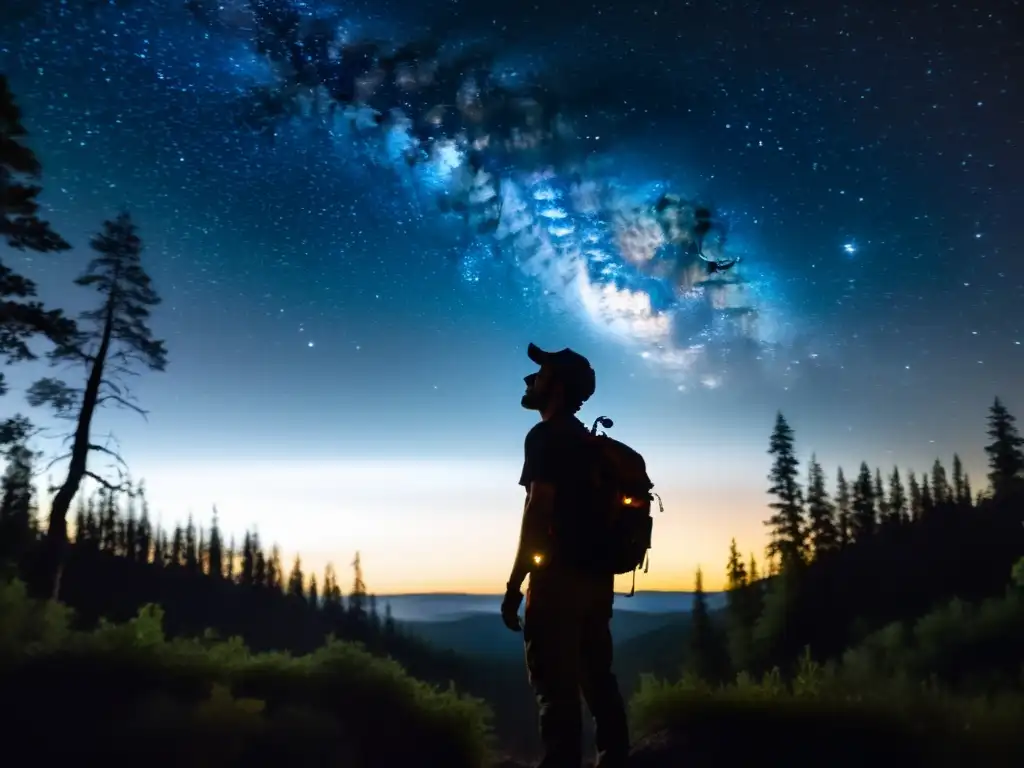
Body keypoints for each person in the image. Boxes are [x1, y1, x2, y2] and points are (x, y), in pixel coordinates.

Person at [501, 343, 630, 768]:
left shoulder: (545, 436)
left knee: (555, 686)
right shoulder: (585, 441)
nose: (529, 381)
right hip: (598, 579)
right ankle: (616, 757)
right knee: (597, 675)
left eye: (539, 375)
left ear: (555, 386)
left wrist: (514, 584)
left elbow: (538, 511)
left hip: (558, 580)